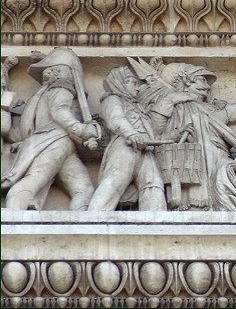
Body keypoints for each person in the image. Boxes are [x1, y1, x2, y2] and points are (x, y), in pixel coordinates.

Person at [144, 61, 236, 211]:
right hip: (187, 165)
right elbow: (154, 131)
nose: (208, 87)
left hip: (219, 162)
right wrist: (171, 102)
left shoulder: (215, 110)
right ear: (187, 81)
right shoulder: (173, 107)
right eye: (202, 80)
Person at [1, 48, 98, 210]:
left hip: (63, 146)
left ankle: (81, 230)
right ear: (64, 71)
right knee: (35, 180)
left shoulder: (42, 94)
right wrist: (81, 129)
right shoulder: (61, 88)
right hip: (54, 141)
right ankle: (13, 212)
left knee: (84, 189)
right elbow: (59, 111)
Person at [88, 66, 167, 211]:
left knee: (154, 183)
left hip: (146, 149)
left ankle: (157, 224)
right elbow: (115, 119)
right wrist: (132, 134)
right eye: (133, 83)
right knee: (116, 179)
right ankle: (94, 216)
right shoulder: (112, 99)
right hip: (124, 147)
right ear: (121, 83)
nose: (137, 89)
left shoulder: (139, 107)